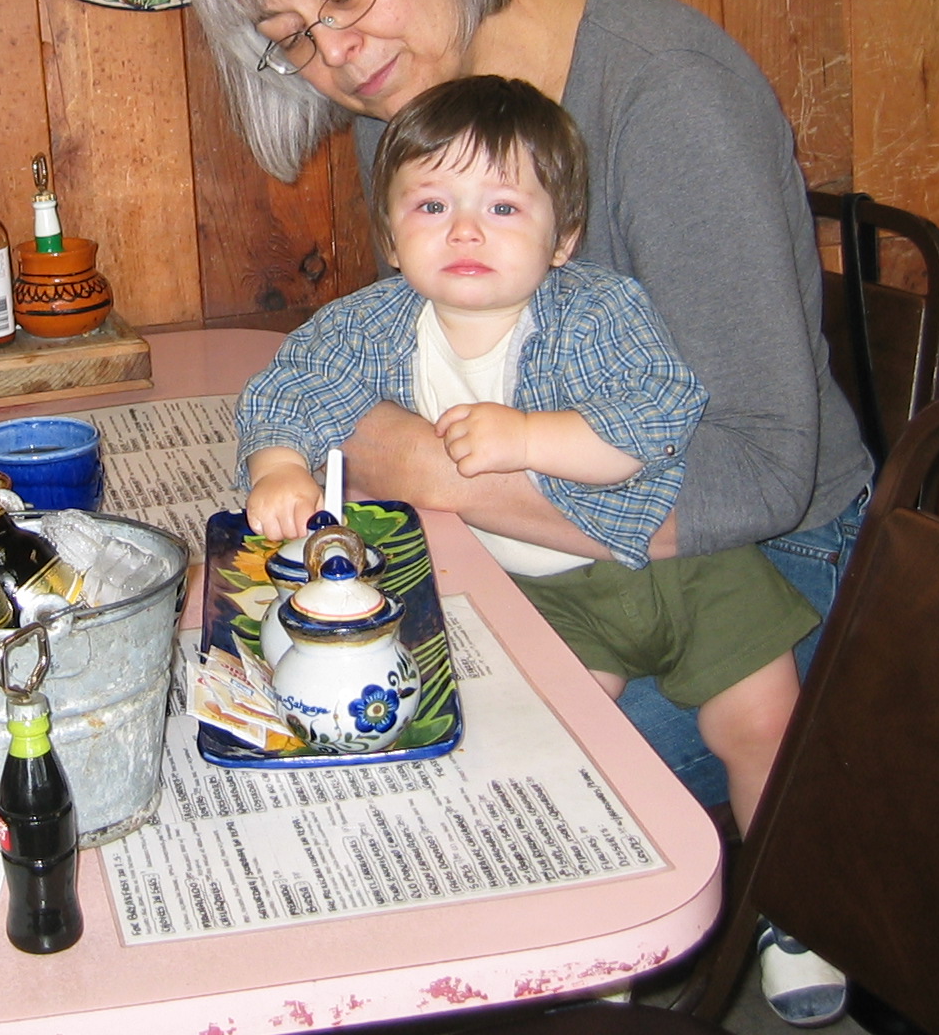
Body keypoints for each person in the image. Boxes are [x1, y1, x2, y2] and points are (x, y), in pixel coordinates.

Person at [185, 0, 870, 798]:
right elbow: (402, 357)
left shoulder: (668, 100)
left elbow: (759, 477)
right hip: (557, 558)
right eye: (291, 38)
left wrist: (444, 472)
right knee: (290, 695)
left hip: (762, 566)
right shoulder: (411, 103)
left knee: (455, 782)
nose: (336, 51)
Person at [240, 77, 821, 852]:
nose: (465, 231)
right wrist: (279, 465)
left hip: (692, 575)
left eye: (504, 208)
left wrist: (527, 439)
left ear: (563, 238)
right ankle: (599, 902)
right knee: (557, 755)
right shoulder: (369, 325)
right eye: (432, 206)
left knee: (763, 729)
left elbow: (658, 412)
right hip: (544, 599)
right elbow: (293, 385)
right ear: (390, 236)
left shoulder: (595, 309)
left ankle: (785, 906)